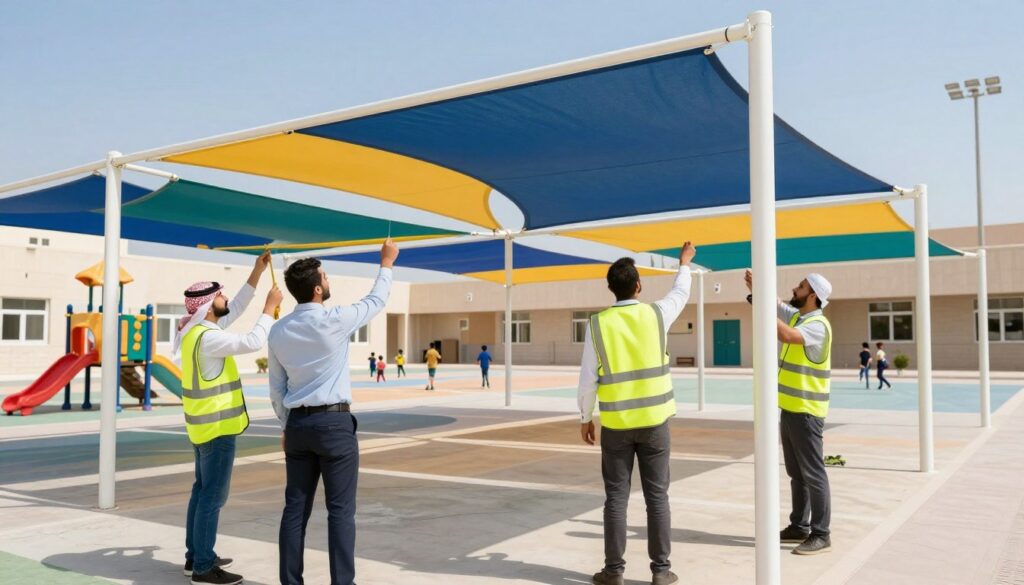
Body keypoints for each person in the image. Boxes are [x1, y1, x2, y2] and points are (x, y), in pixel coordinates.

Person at [268, 239, 398, 585]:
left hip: (297, 426)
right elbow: (376, 300)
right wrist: (386, 262)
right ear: (316, 289)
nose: (328, 281)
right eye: (324, 277)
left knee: (294, 510)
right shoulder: (335, 320)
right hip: (334, 424)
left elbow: (276, 388)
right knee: (340, 512)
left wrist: (287, 424)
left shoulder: (278, 330)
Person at [579, 242, 696, 585]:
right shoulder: (657, 314)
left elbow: (588, 377)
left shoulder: (597, 324)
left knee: (616, 498)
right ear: (638, 285)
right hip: (655, 423)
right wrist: (684, 263)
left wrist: (585, 417)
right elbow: (681, 291)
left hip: (615, 426)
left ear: (611, 288)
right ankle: (661, 571)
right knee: (657, 496)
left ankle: (613, 572)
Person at [174, 250, 282, 585]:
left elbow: (235, 307)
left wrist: (257, 271)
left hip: (201, 426)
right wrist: (268, 309)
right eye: (219, 295)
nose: (225, 298)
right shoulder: (209, 338)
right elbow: (252, 341)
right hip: (218, 428)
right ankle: (204, 567)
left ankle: (196, 556)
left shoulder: (196, 331)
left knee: (201, 490)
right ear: (208, 305)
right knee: (212, 496)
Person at [745, 269, 834, 556]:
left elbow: (785, 335)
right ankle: (799, 526)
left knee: (813, 473)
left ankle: (821, 534)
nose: (794, 289)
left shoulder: (817, 325)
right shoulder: (800, 316)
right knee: (797, 473)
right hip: (792, 408)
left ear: (812, 296)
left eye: (800, 286)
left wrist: (759, 305)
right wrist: (758, 289)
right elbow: (776, 305)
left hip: (807, 411)